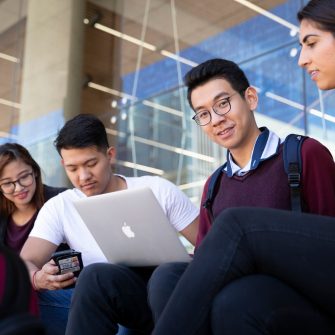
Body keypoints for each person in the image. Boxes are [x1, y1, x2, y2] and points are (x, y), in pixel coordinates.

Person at [148, 1, 335, 334]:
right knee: (171, 278)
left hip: (308, 297)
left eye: (223, 103)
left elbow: (321, 248)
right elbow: (208, 261)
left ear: (250, 98)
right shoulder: (214, 186)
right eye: (203, 113)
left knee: (238, 233)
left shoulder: (303, 155)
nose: (216, 119)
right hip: (249, 296)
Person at [20, 114, 199, 335]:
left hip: (174, 294)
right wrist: (38, 278)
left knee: (164, 275)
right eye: (72, 168)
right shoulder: (61, 207)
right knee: (94, 275)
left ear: (110, 155)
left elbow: (211, 247)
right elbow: (25, 262)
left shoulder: (158, 190)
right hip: (128, 301)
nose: (83, 176)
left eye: (91, 163)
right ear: (62, 164)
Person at [0, 143, 68, 335]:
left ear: (35, 172)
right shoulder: (2, 217)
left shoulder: (60, 201)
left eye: (24, 177)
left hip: (57, 293)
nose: (19, 188)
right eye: (7, 183)